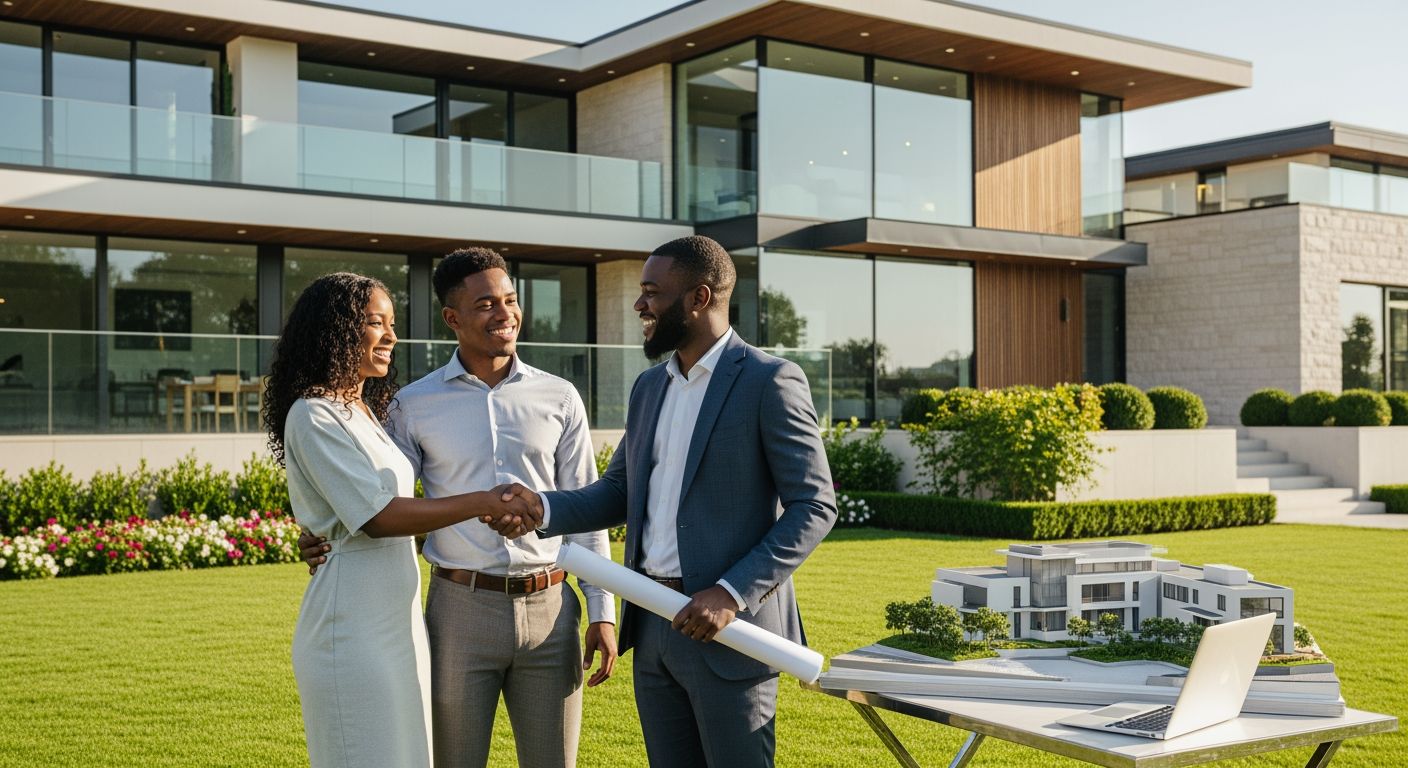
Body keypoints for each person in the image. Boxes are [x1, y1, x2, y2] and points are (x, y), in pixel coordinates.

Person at [493, 235, 837, 767]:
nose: (640, 305)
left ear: (699, 298)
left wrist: (730, 593)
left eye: (652, 292)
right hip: (653, 626)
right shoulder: (649, 386)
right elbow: (620, 492)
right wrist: (544, 508)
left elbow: (814, 505)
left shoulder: (770, 381)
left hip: (729, 632)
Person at [300, 248, 617, 768]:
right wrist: (322, 529)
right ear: (452, 318)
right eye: (486, 304)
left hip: (552, 610)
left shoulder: (560, 398)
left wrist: (602, 611)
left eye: (510, 300)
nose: (505, 314)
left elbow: (585, 509)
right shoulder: (410, 404)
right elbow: (381, 495)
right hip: (459, 611)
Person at [264, 272, 535, 768]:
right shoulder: (313, 413)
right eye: (375, 323)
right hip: (352, 628)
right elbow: (378, 515)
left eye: (392, 324)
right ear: (336, 329)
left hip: (400, 623)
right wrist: (484, 501)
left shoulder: (365, 411)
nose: (390, 336)